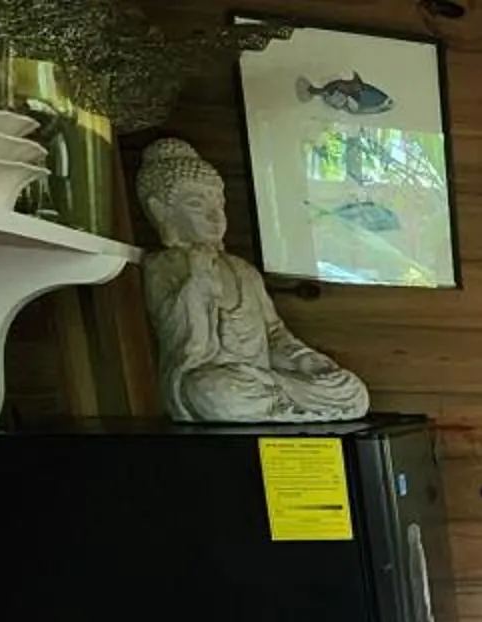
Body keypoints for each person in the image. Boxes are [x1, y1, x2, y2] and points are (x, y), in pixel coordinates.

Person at [134, 138, 370, 423]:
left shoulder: (242, 270)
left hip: (262, 379)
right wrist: (196, 284)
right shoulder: (161, 266)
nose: (215, 217)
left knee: (353, 390)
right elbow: (182, 343)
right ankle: (286, 405)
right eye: (197, 204)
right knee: (212, 393)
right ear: (160, 211)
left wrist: (303, 359)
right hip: (217, 380)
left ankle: (283, 402)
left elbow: (274, 334)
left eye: (219, 204)